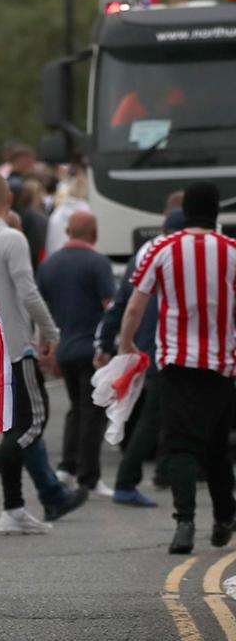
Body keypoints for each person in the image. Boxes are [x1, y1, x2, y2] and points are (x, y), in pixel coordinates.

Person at [0, 173, 87, 534]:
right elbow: (27, 291)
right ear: (8, 198)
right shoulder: (12, 238)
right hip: (14, 346)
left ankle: (13, 509)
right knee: (34, 424)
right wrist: (51, 333)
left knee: (13, 426)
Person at [118, 181, 236, 554]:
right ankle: (224, 517)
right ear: (216, 211)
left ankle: (185, 523)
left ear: (185, 212)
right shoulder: (233, 251)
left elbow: (137, 304)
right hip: (221, 365)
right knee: (217, 447)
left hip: (175, 362)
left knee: (181, 446)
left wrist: (126, 343)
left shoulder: (162, 249)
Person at [98, 208, 185, 506]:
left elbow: (124, 304)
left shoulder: (145, 255)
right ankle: (127, 480)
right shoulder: (177, 257)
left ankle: (163, 471)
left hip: (149, 345)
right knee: (155, 416)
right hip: (169, 348)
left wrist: (113, 343)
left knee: (162, 413)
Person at [38, 211, 116, 496]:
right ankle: (89, 476)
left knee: (75, 408)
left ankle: (67, 467)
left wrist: (45, 347)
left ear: (69, 231)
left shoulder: (49, 265)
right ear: (94, 233)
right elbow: (110, 305)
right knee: (92, 411)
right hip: (91, 349)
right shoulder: (98, 263)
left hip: (64, 348)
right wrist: (108, 346)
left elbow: (41, 310)